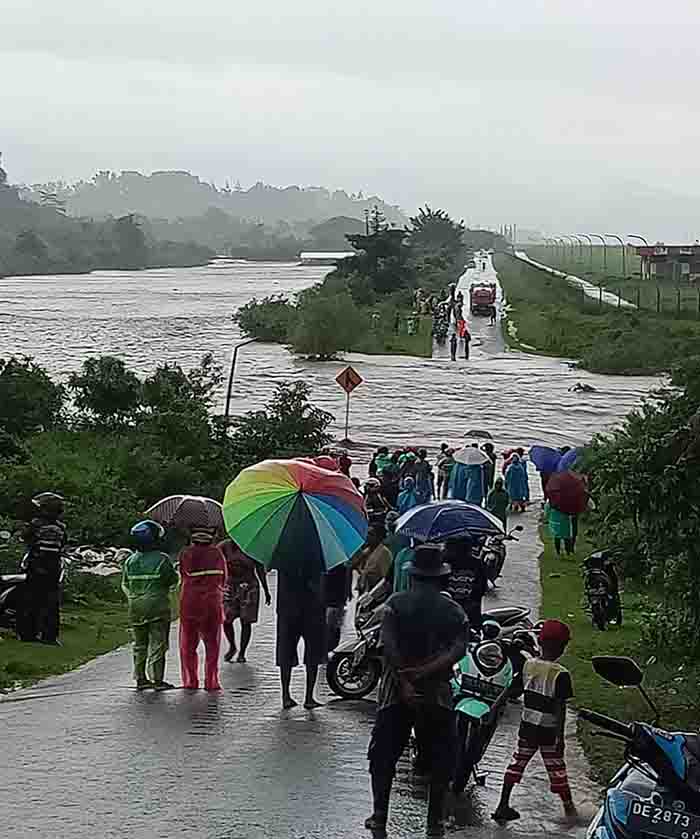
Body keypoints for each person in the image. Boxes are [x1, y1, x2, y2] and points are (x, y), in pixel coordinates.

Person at [365, 545, 468, 838]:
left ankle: (379, 814)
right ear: (440, 577)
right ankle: (434, 820)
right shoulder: (454, 611)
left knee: (383, 755)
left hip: (395, 691)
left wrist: (407, 680)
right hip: (438, 693)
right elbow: (458, 650)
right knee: (441, 759)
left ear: (413, 576)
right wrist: (427, 672)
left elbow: (388, 646)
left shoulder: (394, 605)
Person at [493, 620, 577, 823]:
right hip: (548, 731)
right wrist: (560, 737)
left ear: (540, 642)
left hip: (527, 728)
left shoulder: (528, 665)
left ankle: (502, 804)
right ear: (563, 647)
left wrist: (494, 706)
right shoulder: (561, 674)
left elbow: (513, 689)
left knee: (516, 764)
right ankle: (570, 811)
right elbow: (560, 708)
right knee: (557, 770)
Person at [121, 520, 179, 691]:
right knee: (158, 642)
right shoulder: (162, 559)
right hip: (157, 605)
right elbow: (172, 581)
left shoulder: (130, 560)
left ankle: (140, 678)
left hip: (135, 606)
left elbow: (125, 584)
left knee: (139, 644)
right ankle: (157, 680)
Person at [179, 527, 227, 691]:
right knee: (213, 645)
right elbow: (224, 578)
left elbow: (183, 575)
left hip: (190, 603)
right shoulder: (217, 554)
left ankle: (191, 681)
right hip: (212, 603)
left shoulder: (186, 553)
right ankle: (211, 681)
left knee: (188, 645)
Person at [18, 492, 67, 645]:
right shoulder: (61, 527)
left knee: (30, 600)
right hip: (53, 568)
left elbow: (25, 539)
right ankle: (50, 636)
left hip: (36, 566)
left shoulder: (35, 524)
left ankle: (28, 634)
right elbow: (63, 544)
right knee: (51, 603)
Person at [276, 563, 326, 709]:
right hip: (312, 610)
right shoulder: (318, 553)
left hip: (287, 609)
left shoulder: (283, 552)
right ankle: (309, 697)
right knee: (313, 654)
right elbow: (318, 586)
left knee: (286, 652)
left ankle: (286, 696)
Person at [219, 538, 271, 663]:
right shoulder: (222, 548)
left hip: (249, 587)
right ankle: (232, 646)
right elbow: (215, 565)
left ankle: (242, 652)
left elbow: (260, 570)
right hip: (230, 586)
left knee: (245, 621)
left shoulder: (253, 549)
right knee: (226, 619)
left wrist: (266, 590)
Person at [444, 537, 487, 630]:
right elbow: (482, 589)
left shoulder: (443, 563)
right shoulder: (476, 563)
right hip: (470, 617)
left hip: (447, 615)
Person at [353, 527, 393, 595]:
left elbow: (386, 577)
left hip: (376, 592)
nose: (367, 536)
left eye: (371, 534)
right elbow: (355, 566)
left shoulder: (384, 553)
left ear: (379, 537)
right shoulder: (366, 551)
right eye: (367, 533)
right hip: (364, 590)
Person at [322, 561, 352, 652]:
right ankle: (331, 651)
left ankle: (328, 652)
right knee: (334, 628)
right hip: (337, 602)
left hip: (332, 601)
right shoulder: (344, 566)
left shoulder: (327, 566)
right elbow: (347, 582)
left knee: (330, 629)